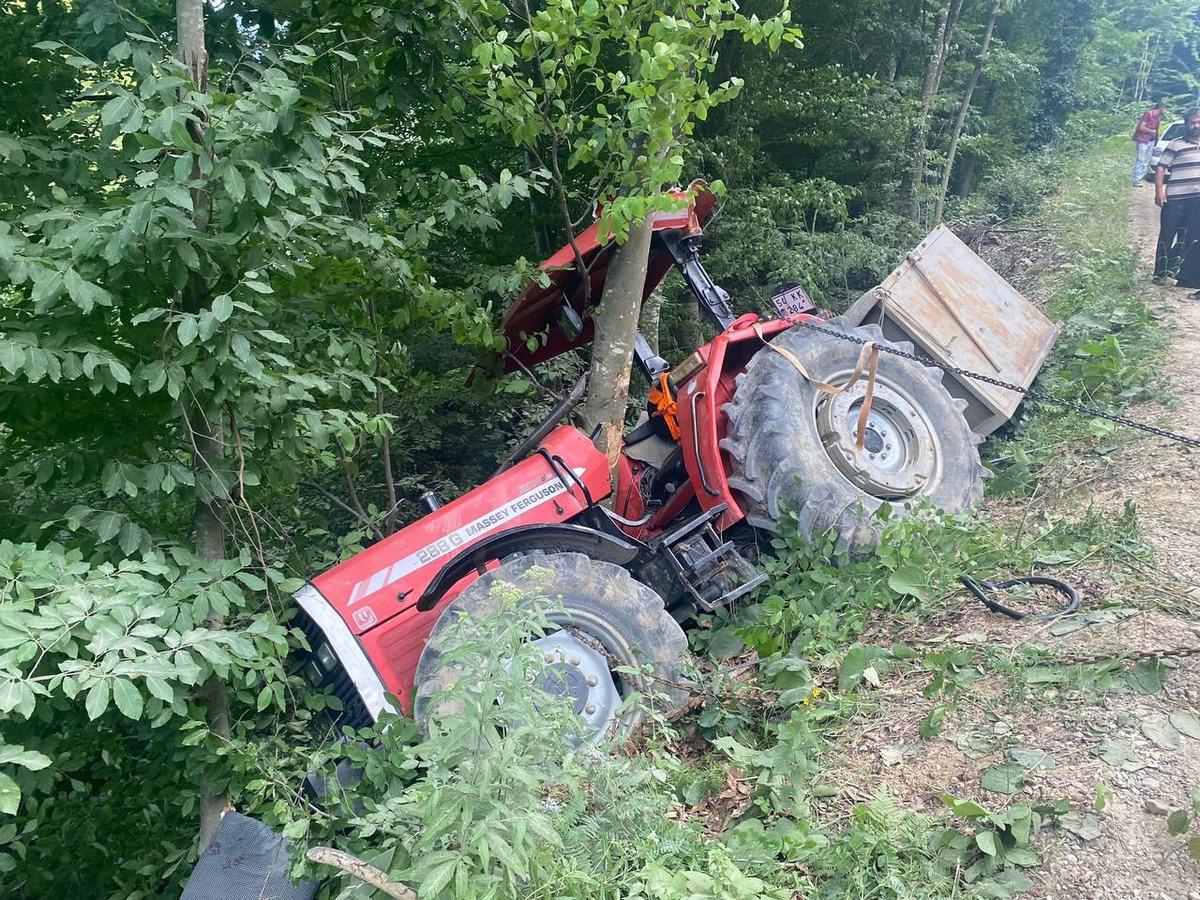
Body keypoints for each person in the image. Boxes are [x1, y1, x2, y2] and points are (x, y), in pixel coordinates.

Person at [1153, 107, 1200, 286]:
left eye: (1198, 122)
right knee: (1167, 234)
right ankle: (1159, 274)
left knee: (1190, 237)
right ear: (1186, 124)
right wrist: (1159, 190)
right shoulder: (1175, 144)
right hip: (1174, 199)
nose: (1195, 126)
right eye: (1192, 122)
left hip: (1197, 200)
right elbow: (1161, 167)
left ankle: (1178, 273)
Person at [1133, 100, 1165, 185]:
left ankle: (1140, 177)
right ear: (1161, 108)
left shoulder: (1157, 117)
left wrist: (1156, 141)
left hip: (1151, 140)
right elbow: (1141, 127)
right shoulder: (1148, 114)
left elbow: (1157, 130)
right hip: (1143, 140)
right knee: (1141, 160)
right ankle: (1136, 180)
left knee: (1146, 161)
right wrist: (1151, 131)